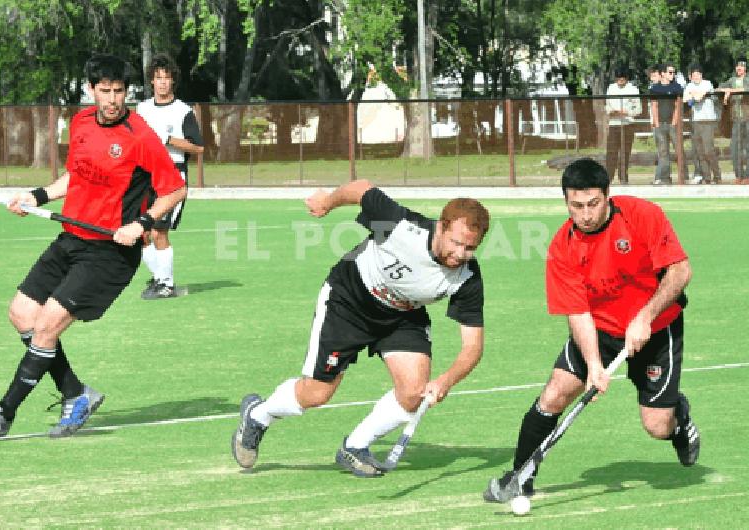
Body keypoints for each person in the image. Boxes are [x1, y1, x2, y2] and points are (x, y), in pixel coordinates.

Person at [0, 54, 186, 438]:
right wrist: (36, 196)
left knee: (45, 327)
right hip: (72, 238)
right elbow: (76, 176)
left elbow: (176, 188)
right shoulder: (81, 123)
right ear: (91, 90)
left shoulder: (139, 135)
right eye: (105, 91)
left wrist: (141, 223)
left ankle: (1, 414)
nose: (112, 99)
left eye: (119, 91)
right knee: (22, 314)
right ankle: (76, 393)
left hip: (110, 253)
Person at [231, 180, 489, 477]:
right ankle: (258, 416)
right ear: (441, 227)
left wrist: (447, 380)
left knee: (413, 392)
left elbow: (473, 346)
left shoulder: (467, 277)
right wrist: (327, 202)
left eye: (470, 247)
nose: (460, 254)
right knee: (317, 393)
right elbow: (361, 189)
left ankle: (355, 447)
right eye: (456, 243)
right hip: (349, 301)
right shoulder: (400, 226)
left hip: (402, 315)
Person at [483, 158, 700, 503]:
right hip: (600, 330)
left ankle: (679, 417)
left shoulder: (642, 215)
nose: (585, 214)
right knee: (554, 393)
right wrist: (595, 366)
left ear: (608, 195)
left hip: (657, 328)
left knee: (657, 426)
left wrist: (645, 316)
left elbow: (680, 271)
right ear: (566, 202)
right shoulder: (562, 247)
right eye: (576, 206)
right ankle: (520, 475)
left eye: (593, 204)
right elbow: (578, 312)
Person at [137, 53, 204, 298]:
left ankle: (166, 284)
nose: (163, 82)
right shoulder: (142, 109)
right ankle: (159, 279)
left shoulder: (182, 111)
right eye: (158, 78)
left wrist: (167, 140)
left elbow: (198, 147)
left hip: (172, 176)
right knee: (141, 232)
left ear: (173, 81)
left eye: (167, 78)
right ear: (152, 82)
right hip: (146, 175)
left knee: (158, 231)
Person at [716, 57, 749, 184]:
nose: (739, 68)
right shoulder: (732, 80)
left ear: (746, 68)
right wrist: (726, 90)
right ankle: (739, 175)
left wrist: (730, 91)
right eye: (737, 66)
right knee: (734, 148)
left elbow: (747, 89)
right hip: (737, 119)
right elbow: (718, 88)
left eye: (742, 66)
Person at [683, 64, 721, 183]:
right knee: (700, 152)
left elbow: (698, 98)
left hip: (708, 121)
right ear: (691, 76)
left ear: (701, 75)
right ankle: (707, 177)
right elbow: (685, 100)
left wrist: (693, 95)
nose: (696, 77)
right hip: (696, 121)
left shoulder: (707, 83)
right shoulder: (689, 86)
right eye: (694, 75)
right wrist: (694, 96)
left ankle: (717, 176)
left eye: (698, 74)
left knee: (708, 150)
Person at [604, 67, 642, 184]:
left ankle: (623, 178)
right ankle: (608, 178)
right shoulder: (611, 88)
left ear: (626, 78)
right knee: (611, 152)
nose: (620, 80)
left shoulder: (633, 89)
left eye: (622, 78)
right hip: (614, 124)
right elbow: (607, 105)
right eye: (618, 78)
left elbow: (638, 109)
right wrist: (611, 111)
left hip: (627, 123)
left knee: (625, 152)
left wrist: (627, 112)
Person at [649, 63, 685, 184]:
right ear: (663, 73)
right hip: (660, 124)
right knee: (663, 152)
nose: (672, 75)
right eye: (670, 72)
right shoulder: (655, 89)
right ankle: (665, 178)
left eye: (673, 72)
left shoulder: (677, 87)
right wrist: (657, 123)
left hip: (673, 125)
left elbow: (677, 105)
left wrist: (674, 122)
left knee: (679, 150)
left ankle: (683, 177)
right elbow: (654, 105)